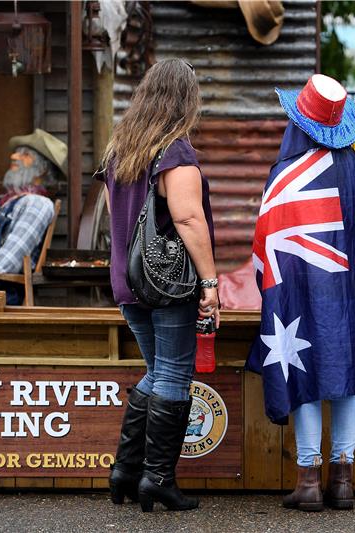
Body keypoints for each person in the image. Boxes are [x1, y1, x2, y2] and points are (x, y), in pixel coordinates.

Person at [98, 58, 219, 512]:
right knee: (172, 372)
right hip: (168, 283)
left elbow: (116, 219)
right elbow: (188, 218)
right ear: (186, 100)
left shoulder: (119, 149)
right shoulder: (175, 152)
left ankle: (126, 471)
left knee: (158, 370)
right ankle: (158, 479)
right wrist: (210, 281)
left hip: (128, 283)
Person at [245, 74, 355, 512]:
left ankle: (308, 481)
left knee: (303, 372)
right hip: (344, 292)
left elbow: (264, 245)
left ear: (297, 124)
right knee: (343, 376)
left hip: (296, 290)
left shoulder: (283, 175)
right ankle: (343, 480)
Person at [0, 129, 66, 303]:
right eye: (16, 152)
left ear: (42, 170)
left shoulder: (37, 204)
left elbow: (4, 265)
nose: (14, 157)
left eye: (24, 155)